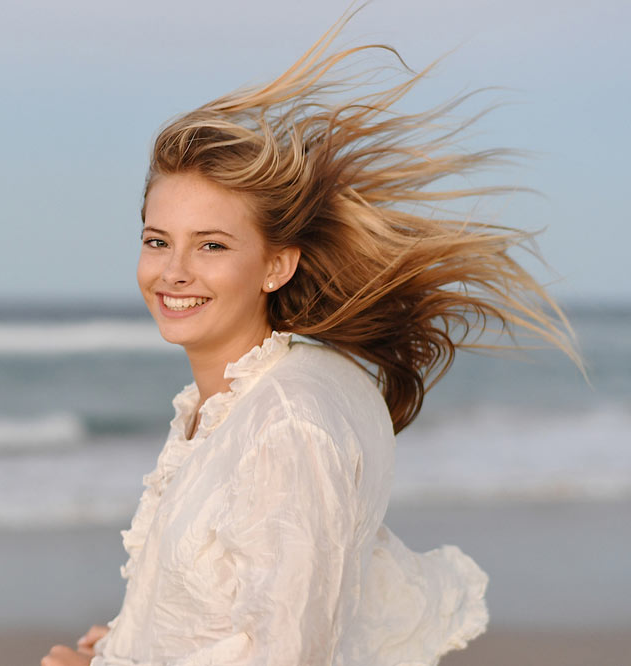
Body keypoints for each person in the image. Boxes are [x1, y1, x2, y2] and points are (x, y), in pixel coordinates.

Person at [43, 10, 581, 666]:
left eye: (211, 245)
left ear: (277, 263)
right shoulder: (226, 406)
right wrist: (124, 646)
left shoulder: (287, 425)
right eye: (158, 241)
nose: (173, 271)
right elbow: (221, 615)